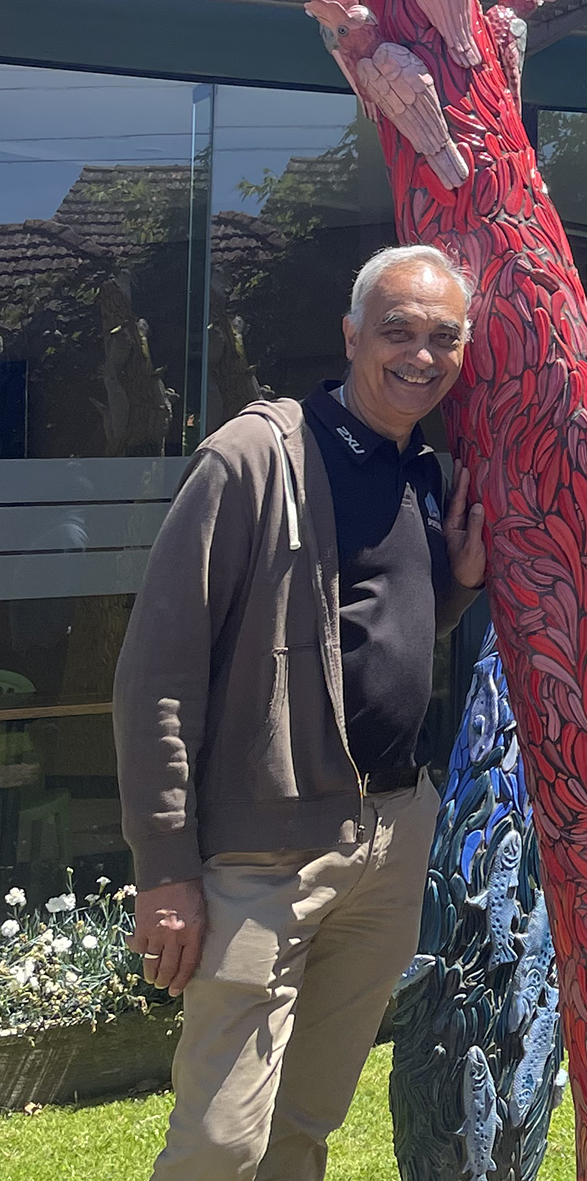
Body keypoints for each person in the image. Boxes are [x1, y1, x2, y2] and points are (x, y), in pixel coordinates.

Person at [113, 243, 487, 1179]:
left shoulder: (423, 470)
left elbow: (362, 636)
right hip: (264, 848)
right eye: (397, 330)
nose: (421, 354)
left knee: (303, 1126)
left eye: (444, 337)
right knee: (222, 1140)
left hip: (391, 837)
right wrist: (165, 866)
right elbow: (158, 671)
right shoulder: (252, 458)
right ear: (351, 334)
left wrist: (453, 585)